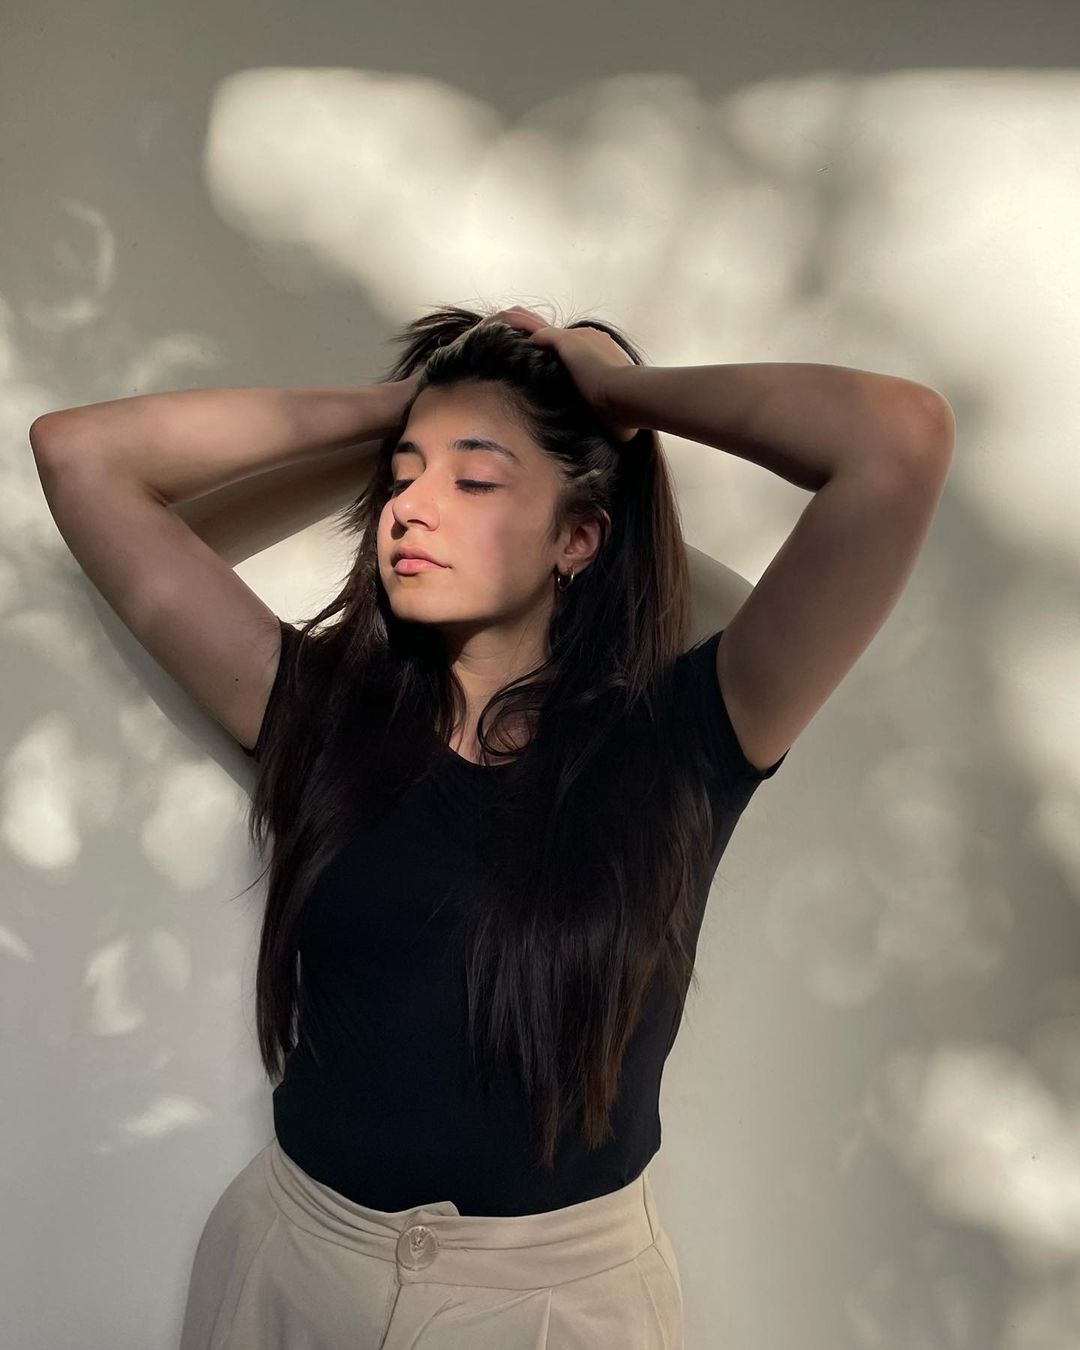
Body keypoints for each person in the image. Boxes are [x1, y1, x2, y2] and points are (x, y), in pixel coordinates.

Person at [29, 301, 954, 1348]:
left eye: (473, 480)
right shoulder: (317, 713)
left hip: (557, 1308)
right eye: (402, 476)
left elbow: (897, 440)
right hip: (290, 1271)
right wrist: (405, 405)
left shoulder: (689, 738)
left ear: (578, 536)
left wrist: (615, 390)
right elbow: (80, 455)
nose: (410, 509)